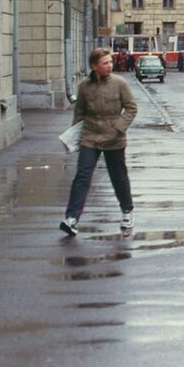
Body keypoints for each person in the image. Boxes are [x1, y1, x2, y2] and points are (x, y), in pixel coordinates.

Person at [60, 47, 138, 236]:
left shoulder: (120, 84)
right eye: (105, 63)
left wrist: (118, 128)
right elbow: (79, 113)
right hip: (90, 137)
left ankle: (127, 212)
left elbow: (131, 108)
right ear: (94, 66)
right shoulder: (85, 86)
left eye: (110, 62)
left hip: (114, 139)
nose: (109, 66)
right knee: (82, 176)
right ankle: (71, 218)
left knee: (118, 177)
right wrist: (75, 137)